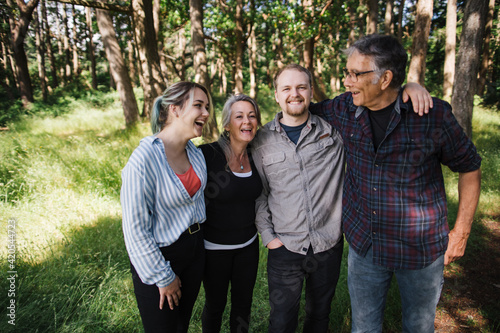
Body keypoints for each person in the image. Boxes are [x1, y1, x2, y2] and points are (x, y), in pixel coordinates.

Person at [310, 34, 482, 332]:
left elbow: (470, 167)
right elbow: (302, 110)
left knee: (418, 326)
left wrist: (462, 232)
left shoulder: (431, 115)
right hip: (366, 247)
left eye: (354, 74)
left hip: (420, 251)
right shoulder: (345, 110)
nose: (346, 81)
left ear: (385, 78)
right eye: (346, 72)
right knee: (364, 327)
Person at [251, 64, 346, 333]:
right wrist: (269, 238)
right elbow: (259, 194)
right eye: (287, 88)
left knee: (319, 317)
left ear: (311, 91)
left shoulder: (333, 131)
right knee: (281, 322)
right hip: (285, 247)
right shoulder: (261, 140)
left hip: (327, 244)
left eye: (301, 87)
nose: (295, 94)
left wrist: (409, 87)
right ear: (277, 96)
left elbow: (370, 101)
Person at [121, 82, 212, 333]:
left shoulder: (194, 153)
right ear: (175, 109)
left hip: (194, 252)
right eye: (198, 105)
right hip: (161, 257)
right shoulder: (143, 161)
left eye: (207, 107)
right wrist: (164, 277)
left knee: (181, 326)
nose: (205, 112)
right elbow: (135, 230)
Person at [199, 94, 263, 333]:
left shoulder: (257, 155)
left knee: (243, 307)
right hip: (214, 249)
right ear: (227, 124)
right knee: (215, 305)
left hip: (248, 246)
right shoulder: (207, 155)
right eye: (239, 116)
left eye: (252, 115)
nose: (247, 121)